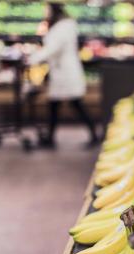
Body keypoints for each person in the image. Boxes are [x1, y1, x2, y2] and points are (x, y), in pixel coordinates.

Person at [28, 2, 99, 148]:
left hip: (66, 72)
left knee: (75, 104)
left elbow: (53, 48)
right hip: (61, 72)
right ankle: (50, 138)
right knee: (55, 105)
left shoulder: (63, 27)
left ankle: (93, 134)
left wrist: (32, 58)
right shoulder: (64, 25)